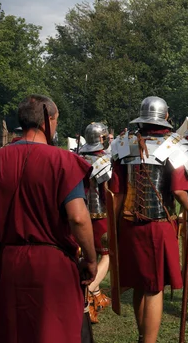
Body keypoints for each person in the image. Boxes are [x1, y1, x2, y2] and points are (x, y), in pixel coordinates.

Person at [0, 94, 97, 343]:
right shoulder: (63, 161)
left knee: (15, 333)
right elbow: (78, 218)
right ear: (47, 121)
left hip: (10, 261)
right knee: (55, 334)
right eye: (56, 120)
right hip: (53, 265)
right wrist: (91, 259)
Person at [110, 96, 188, 343]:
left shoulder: (122, 144)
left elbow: (115, 193)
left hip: (127, 225)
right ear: (166, 117)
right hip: (157, 226)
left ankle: (142, 337)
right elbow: (180, 191)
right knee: (154, 287)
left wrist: (114, 228)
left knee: (140, 284)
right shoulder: (175, 145)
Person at [78, 122, 115, 323]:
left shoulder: (76, 156)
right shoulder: (103, 161)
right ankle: (87, 292)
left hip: (79, 212)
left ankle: (97, 293)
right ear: (101, 139)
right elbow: (108, 192)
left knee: (86, 253)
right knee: (107, 256)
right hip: (99, 214)